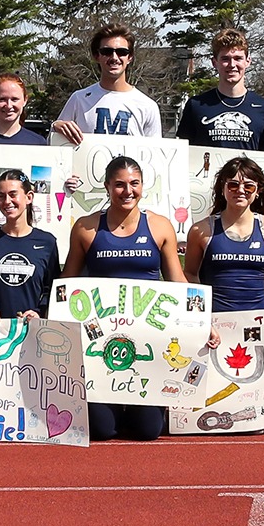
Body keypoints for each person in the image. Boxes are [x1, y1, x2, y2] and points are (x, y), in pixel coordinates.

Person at [63, 155, 188, 441]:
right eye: (119, 185)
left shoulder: (160, 226)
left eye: (134, 183)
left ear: (143, 185)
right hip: (100, 339)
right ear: (107, 186)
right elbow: (67, 285)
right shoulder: (86, 228)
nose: (127, 191)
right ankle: (110, 405)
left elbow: (178, 281)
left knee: (147, 431)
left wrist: (202, 321)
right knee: (102, 430)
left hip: (148, 338)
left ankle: (136, 405)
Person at [184, 157, 264, 313]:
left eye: (249, 187)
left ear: (257, 191)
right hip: (216, 320)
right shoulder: (201, 230)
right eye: (233, 185)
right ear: (223, 188)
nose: (240, 190)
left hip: (258, 321)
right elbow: (190, 274)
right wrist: (199, 312)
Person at [0, 169, 60, 322]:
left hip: (29, 334)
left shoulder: (47, 242)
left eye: (13, 194)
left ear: (29, 197)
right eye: (1, 196)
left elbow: (55, 290)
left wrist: (38, 311)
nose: (7, 201)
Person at [53, 24, 162, 143]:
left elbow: (153, 156)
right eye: (107, 51)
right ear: (96, 56)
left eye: (122, 52)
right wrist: (56, 126)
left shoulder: (148, 106)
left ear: (130, 57)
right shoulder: (79, 99)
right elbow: (55, 143)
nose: (114, 57)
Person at [176, 28, 264, 150]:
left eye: (238, 58)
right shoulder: (196, 106)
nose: (232, 65)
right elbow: (184, 154)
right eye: (225, 59)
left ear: (248, 61)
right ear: (214, 62)